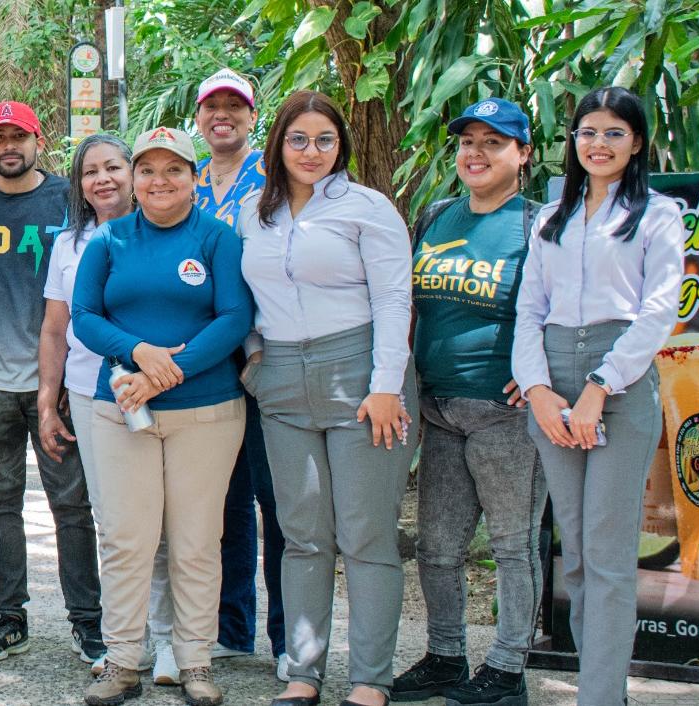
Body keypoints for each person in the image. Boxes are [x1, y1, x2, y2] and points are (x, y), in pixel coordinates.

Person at [234, 91, 417, 706]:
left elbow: (394, 300)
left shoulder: (368, 208)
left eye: (325, 140)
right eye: (298, 139)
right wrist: (258, 359)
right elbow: (248, 296)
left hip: (360, 373)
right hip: (283, 377)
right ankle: (303, 674)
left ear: (342, 146)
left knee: (365, 535)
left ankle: (370, 679)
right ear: (278, 144)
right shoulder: (257, 215)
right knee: (302, 533)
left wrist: (386, 384)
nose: (311, 152)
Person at [511, 86, 684, 706]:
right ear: (573, 141)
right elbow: (528, 308)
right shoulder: (551, 219)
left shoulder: (659, 215)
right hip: (551, 379)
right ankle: (597, 684)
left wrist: (599, 388)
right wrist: (535, 389)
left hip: (620, 380)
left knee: (608, 556)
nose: (599, 144)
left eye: (614, 132)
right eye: (588, 131)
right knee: (577, 555)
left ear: (636, 142)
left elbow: (659, 310)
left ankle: (601, 697)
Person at [72, 127, 253, 706]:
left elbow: (232, 317)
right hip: (121, 409)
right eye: (147, 170)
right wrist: (137, 353)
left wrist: (165, 373)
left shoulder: (218, 238)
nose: (159, 181)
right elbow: (84, 316)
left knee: (197, 539)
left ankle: (196, 661)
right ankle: (122, 660)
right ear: (134, 180)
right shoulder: (109, 240)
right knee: (128, 539)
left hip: (207, 411)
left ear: (194, 178)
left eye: (174, 170)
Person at [391, 98, 544, 706]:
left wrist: (540, 376)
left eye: (493, 142)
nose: (475, 153)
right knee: (437, 547)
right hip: (439, 410)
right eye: (467, 142)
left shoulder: (539, 223)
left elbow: (562, 307)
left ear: (523, 154)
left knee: (512, 546)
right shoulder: (434, 216)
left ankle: (507, 670)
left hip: (506, 415)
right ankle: (447, 658)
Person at [0, 100, 104, 664]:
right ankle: (9, 618)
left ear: (39, 141)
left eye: (20, 136)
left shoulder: (68, 196)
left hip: (57, 383)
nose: (9, 146)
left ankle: (89, 622)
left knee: (73, 506)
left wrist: (69, 373)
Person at [184, 69, 286, 685]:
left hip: (263, 355)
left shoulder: (274, 181)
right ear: (199, 117)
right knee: (221, 501)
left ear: (252, 115)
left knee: (274, 499)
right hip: (201, 361)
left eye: (235, 107)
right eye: (212, 107)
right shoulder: (182, 177)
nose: (222, 115)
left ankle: (286, 640)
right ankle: (230, 628)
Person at [38, 132, 133, 572]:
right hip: (87, 391)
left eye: (112, 167)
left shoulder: (162, 232)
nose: (103, 179)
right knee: (109, 513)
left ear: (133, 172)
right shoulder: (68, 244)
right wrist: (47, 404)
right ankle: (121, 634)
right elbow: (56, 330)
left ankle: (170, 632)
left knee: (160, 514)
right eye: (90, 172)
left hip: (159, 386)